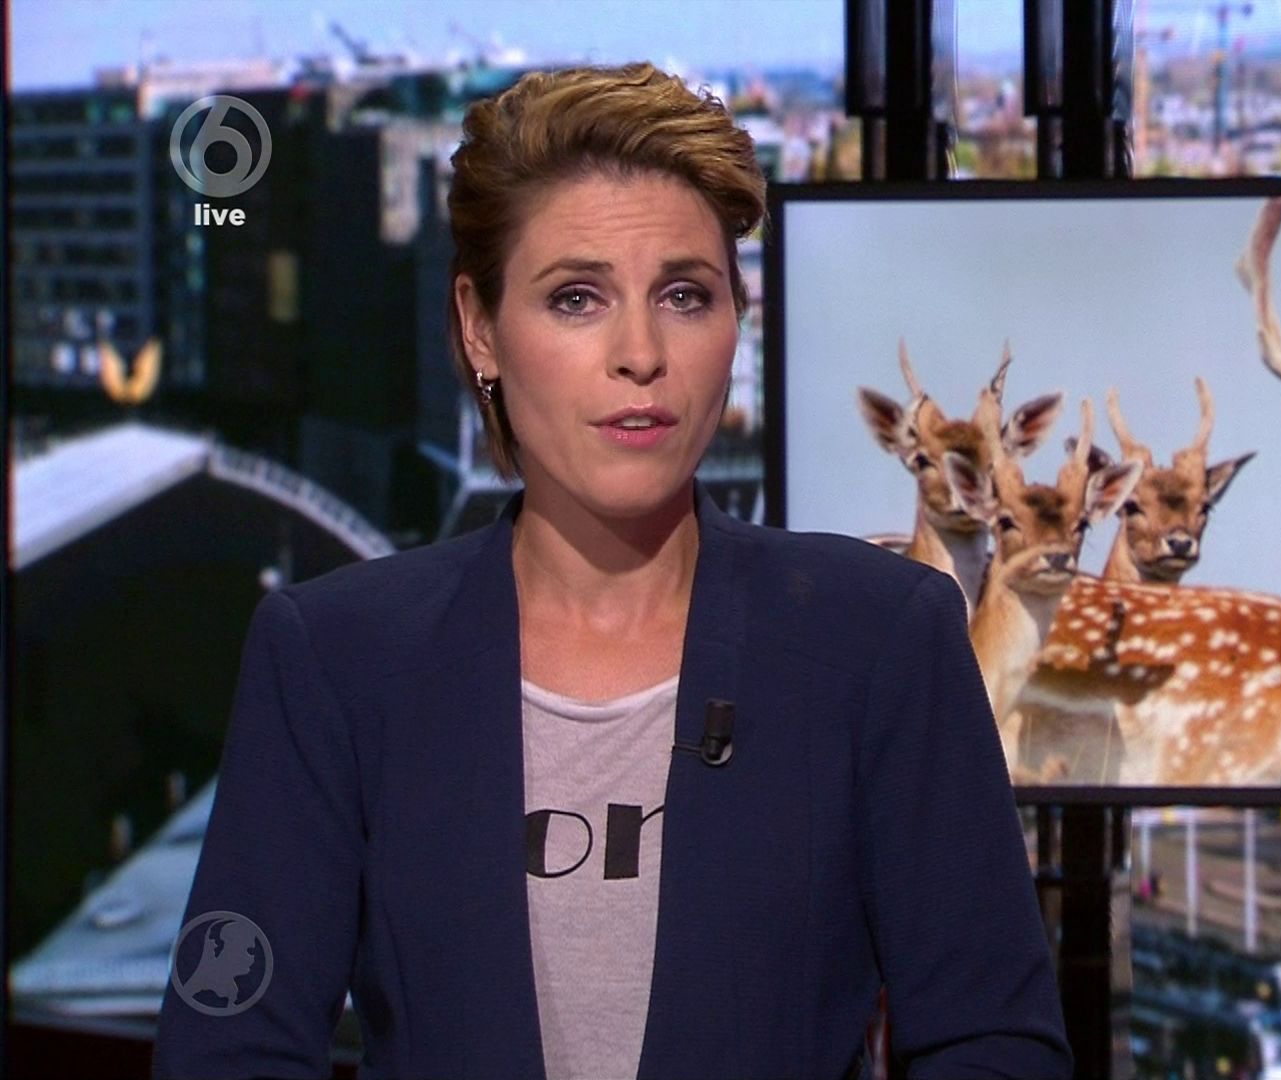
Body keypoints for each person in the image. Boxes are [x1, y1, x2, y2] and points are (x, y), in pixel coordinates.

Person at [153, 63, 1071, 1080]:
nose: (641, 352)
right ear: (478, 328)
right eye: (577, 298)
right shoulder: (337, 658)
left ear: (735, 322)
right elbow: (228, 1049)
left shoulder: (881, 638)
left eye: (685, 295)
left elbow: (995, 1043)